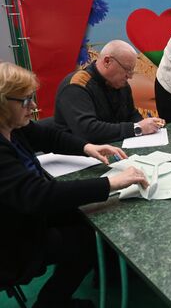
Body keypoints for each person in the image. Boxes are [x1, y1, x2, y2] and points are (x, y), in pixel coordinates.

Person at [0, 62, 149, 308]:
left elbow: (49, 136)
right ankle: (50, 303)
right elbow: (38, 195)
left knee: (90, 218)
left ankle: (107, 273)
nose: (34, 107)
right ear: (4, 103)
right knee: (85, 242)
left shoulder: (14, 127)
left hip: (27, 215)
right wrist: (111, 182)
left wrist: (87, 147)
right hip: (13, 239)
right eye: (26, 101)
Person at [54, 40, 164, 143]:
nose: (130, 76)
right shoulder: (77, 86)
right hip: (78, 154)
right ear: (107, 61)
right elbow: (88, 131)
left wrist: (148, 126)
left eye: (132, 71)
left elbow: (131, 115)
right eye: (127, 69)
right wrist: (137, 129)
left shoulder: (121, 84)